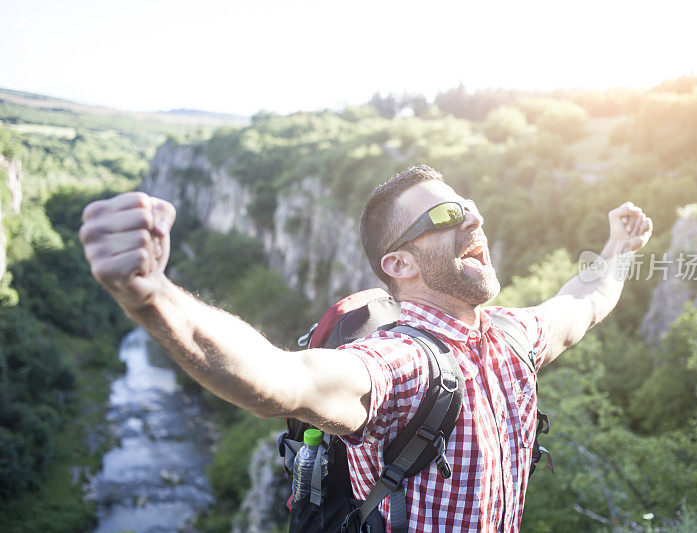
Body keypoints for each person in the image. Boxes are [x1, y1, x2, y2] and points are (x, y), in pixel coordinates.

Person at [79, 164, 652, 532]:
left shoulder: (512, 338)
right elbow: (279, 379)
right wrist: (151, 296)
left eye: (469, 206)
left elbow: (584, 301)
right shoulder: (401, 364)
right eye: (446, 215)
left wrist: (619, 245)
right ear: (398, 265)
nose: (473, 217)